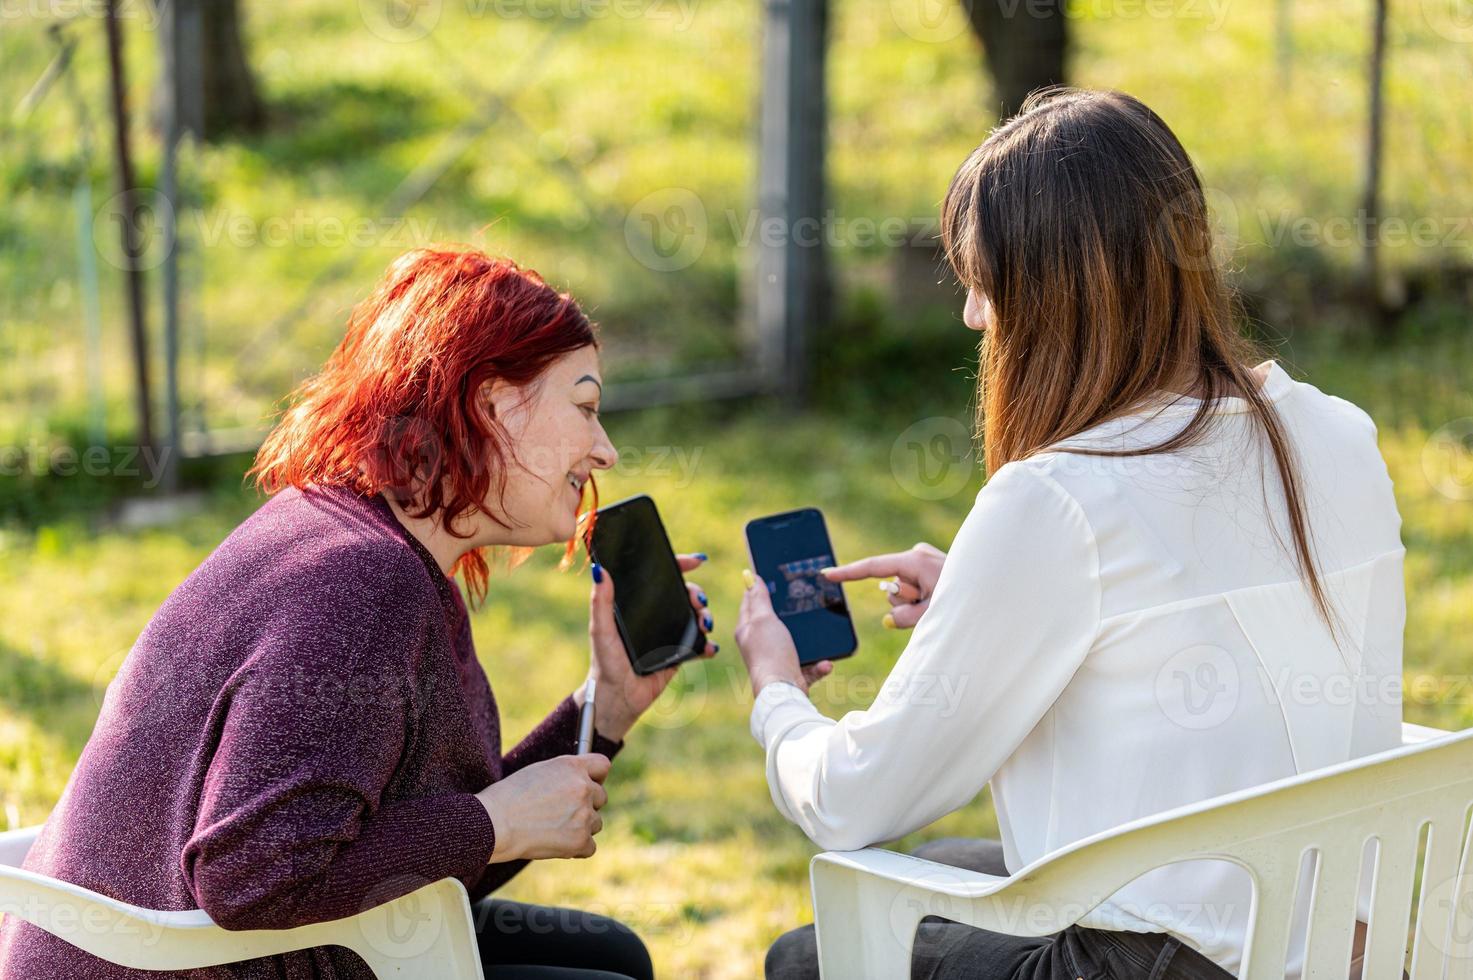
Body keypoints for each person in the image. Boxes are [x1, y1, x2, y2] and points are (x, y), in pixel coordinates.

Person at [734, 88, 1405, 980]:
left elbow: (860, 797)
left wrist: (777, 695)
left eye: (983, 282)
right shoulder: (1339, 433)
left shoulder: (1058, 501)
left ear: (1052, 295)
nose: (973, 316)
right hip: (1354, 940)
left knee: (807, 958)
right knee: (936, 873)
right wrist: (983, 594)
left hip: (1175, 959)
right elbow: (1214, 629)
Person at [0, 248, 718, 980]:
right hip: (186, 960)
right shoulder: (364, 583)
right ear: (493, 404)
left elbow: (414, 861)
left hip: (203, 951)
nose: (605, 449)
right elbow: (254, 876)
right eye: (586, 407)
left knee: (610, 955)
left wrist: (608, 710)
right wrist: (494, 822)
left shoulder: (350, 536)